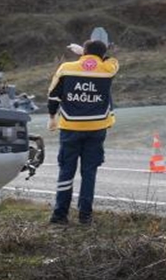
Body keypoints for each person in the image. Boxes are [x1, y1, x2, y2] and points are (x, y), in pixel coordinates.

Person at [47, 39, 119, 225]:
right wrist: (90, 56)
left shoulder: (67, 68)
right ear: (102, 54)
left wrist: (52, 116)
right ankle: (85, 216)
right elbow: (110, 61)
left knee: (66, 171)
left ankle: (60, 215)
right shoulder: (108, 68)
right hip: (96, 128)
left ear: (83, 52)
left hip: (71, 127)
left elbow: (54, 95)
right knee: (89, 173)